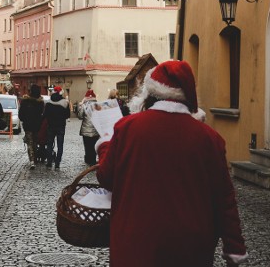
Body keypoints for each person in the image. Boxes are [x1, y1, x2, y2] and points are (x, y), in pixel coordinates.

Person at [96, 60, 248, 266]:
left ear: (150, 93)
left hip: (136, 242)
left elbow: (106, 177)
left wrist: (104, 145)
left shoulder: (128, 128)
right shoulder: (209, 138)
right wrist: (234, 248)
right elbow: (224, 198)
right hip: (191, 246)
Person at [42, 85, 70, 169]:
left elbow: (45, 115)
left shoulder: (48, 103)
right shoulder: (65, 102)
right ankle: (57, 163)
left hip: (51, 126)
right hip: (61, 126)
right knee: (60, 145)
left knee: (50, 144)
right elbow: (67, 115)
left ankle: (49, 162)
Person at [18, 84, 45, 169]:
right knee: (35, 142)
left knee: (30, 143)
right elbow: (42, 114)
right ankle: (35, 158)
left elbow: (21, 114)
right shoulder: (40, 102)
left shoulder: (25, 101)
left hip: (28, 125)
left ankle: (32, 161)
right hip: (37, 125)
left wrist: (24, 120)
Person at [75, 89, 100, 166]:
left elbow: (80, 116)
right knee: (94, 145)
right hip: (95, 129)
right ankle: (92, 160)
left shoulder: (84, 105)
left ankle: (88, 159)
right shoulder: (98, 105)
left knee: (87, 145)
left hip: (86, 129)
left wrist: (80, 106)